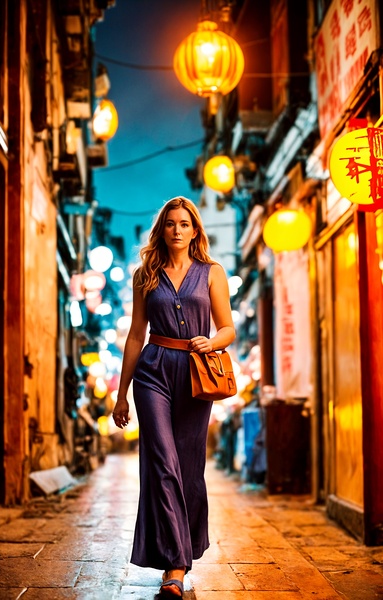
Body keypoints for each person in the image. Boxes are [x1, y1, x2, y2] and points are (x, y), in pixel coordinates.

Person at [112, 196, 235, 598]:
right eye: (170, 224)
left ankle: (180, 555)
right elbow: (135, 335)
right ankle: (175, 566)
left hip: (197, 372)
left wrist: (211, 340)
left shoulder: (212, 272)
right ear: (161, 230)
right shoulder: (144, 274)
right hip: (153, 371)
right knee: (162, 463)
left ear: (195, 230)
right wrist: (121, 393)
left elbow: (228, 328)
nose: (178, 230)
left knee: (188, 466)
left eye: (185, 224)